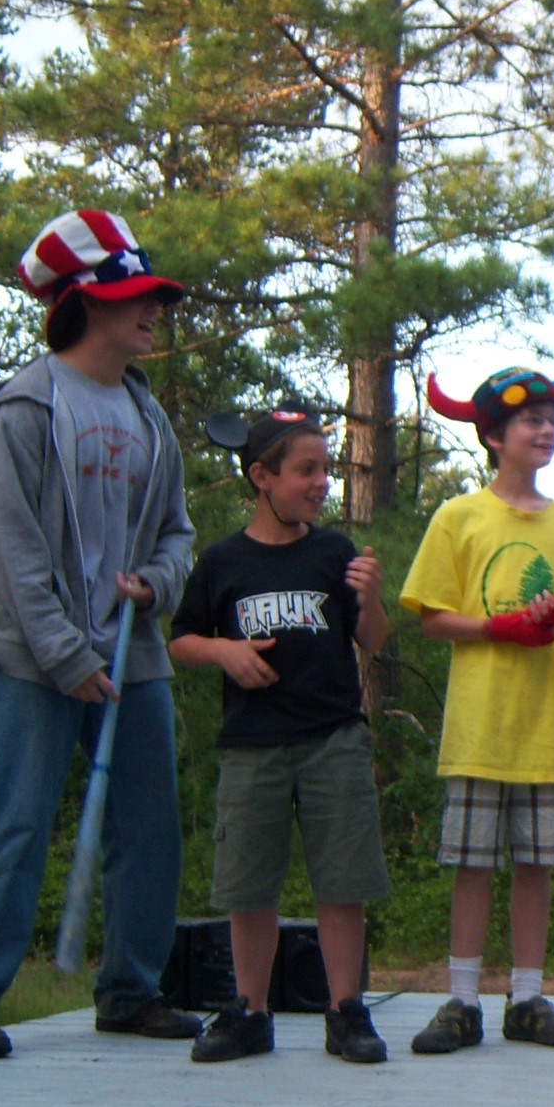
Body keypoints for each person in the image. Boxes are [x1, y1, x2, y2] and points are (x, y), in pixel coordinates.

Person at [0, 209, 200, 1058]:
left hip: (132, 652)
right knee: (15, 819)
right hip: (31, 657)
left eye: (156, 297)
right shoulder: (26, 407)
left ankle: (131, 991)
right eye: (136, 295)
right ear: (84, 301)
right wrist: (64, 651)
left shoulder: (150, 418)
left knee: (150, 826)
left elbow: (176, 534)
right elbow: (11, 551)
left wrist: (157, 584)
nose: (154, 310)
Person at [169, 410, 392, 1064]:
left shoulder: (334, 553)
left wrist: (372, 597)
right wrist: (224, 652)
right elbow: (181, 641)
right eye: (306, 470)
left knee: (342, 881)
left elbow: (373, 640)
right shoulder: (223, 562)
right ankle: (250, 1013)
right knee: (248, 886)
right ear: (261, 477)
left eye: (326, 470)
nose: (321, 482)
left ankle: (346, 1011)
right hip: (252, 744)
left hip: (333, 738)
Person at [399, 356, 554, 1055]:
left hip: (546, 728)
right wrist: (499, 628)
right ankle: (461, 1001)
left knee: (537, 865)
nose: (547, 432)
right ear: (493, 435)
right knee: (472, 863)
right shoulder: (458, 517)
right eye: (532, 421)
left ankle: (527, 998)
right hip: (479, 725)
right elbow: (431, 617)